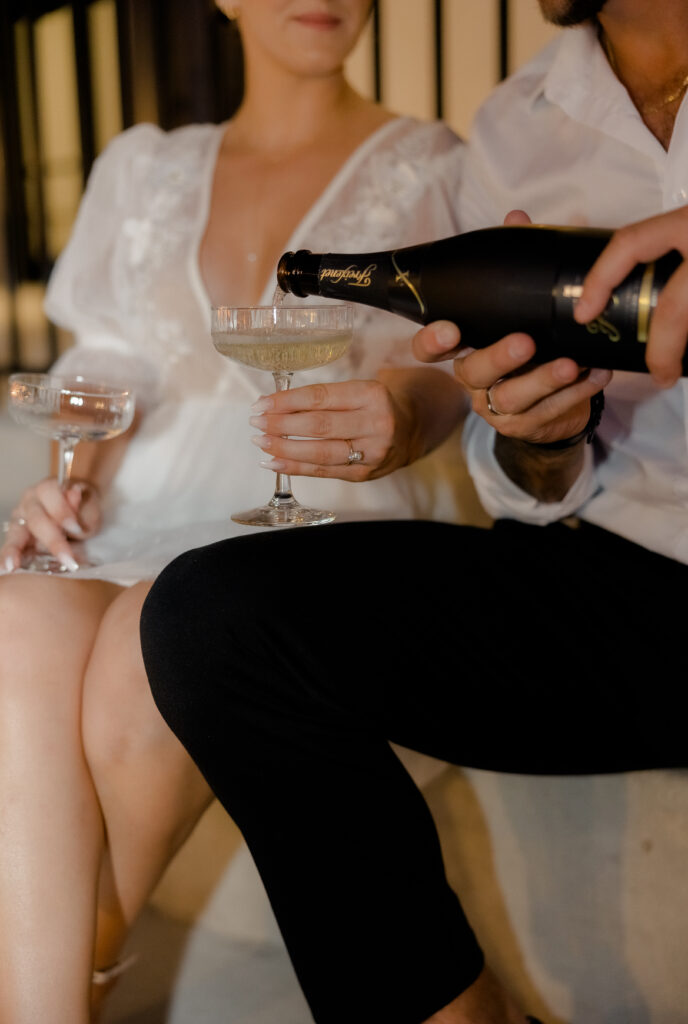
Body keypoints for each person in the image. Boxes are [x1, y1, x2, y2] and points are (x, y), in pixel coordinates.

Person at [140, 1, 688, 1022]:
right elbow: (525, 465)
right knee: (212, 617)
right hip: (629, 584)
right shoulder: (516, 130)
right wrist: (537, 431)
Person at [0, 2, 469, 1021]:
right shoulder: (143, 166)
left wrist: (400, 409)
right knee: (20, 612)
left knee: (153, 631)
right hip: (138, 498)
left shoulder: (433, 163)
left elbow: (446, 379)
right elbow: (102, 368)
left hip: (315, 514)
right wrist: (67, 474)